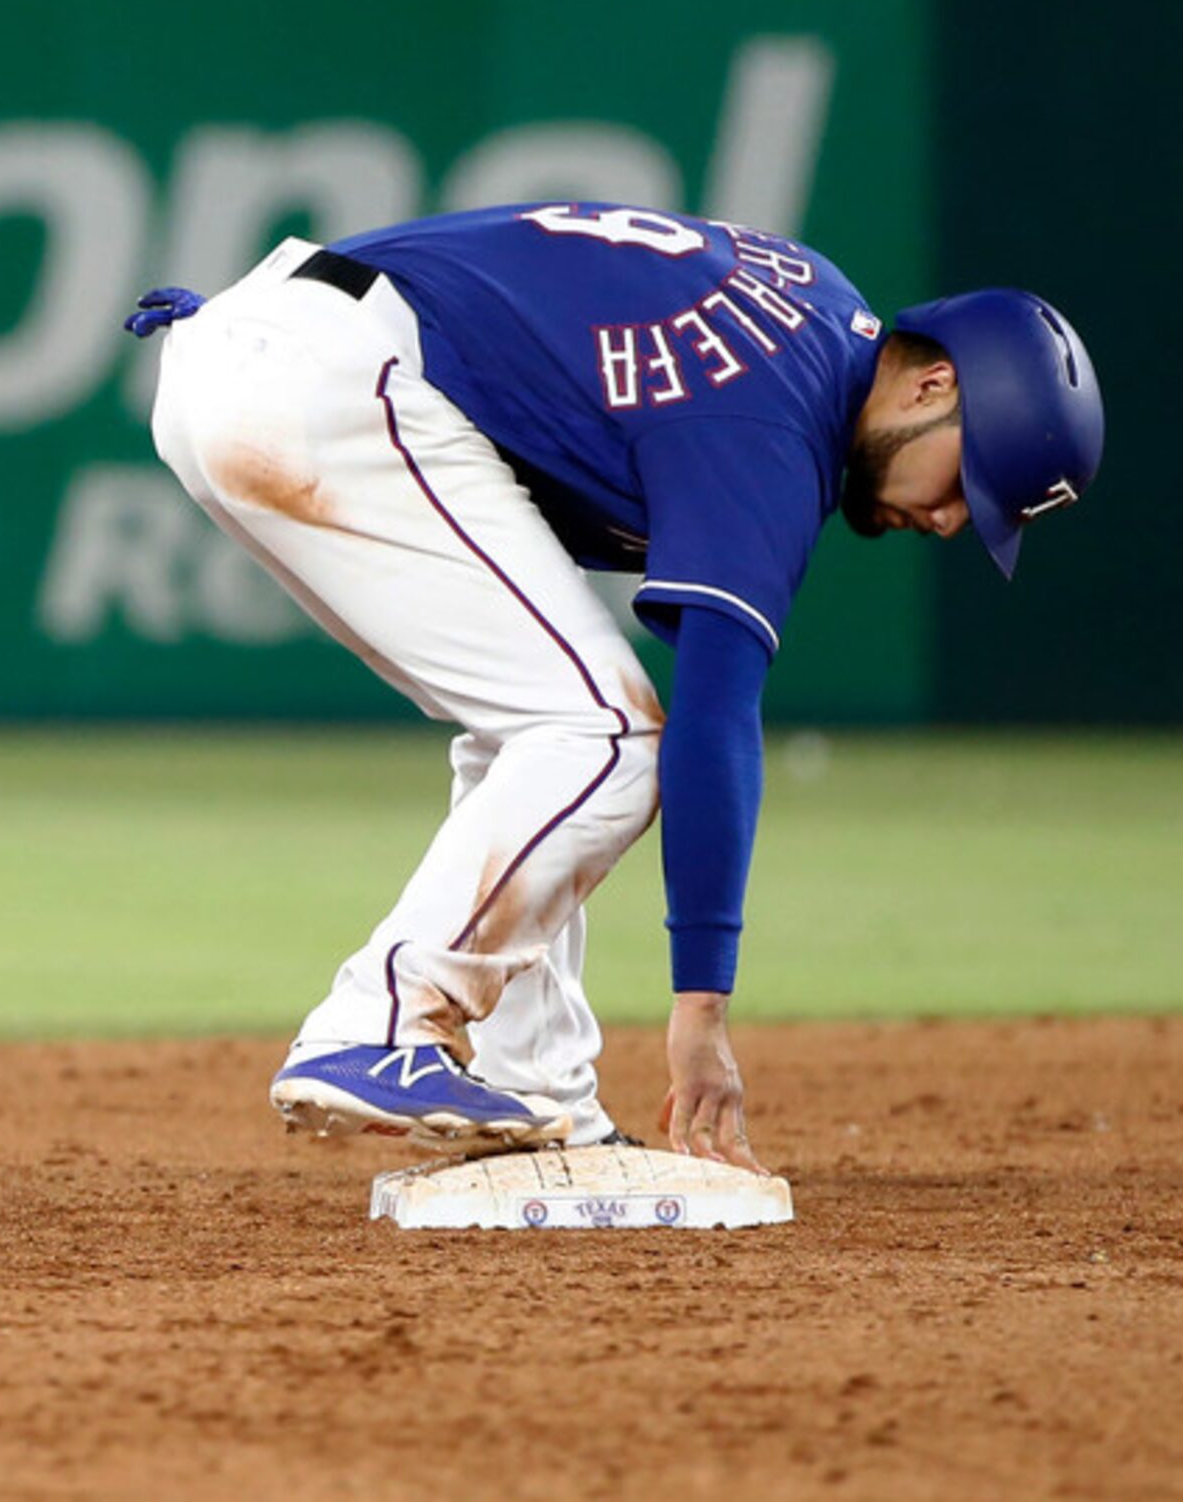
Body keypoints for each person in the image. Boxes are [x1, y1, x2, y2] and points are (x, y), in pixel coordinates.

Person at [127, 204, 1102, 1169]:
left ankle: (543, 1096)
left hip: (272, 359)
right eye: (965, 482)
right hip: (327, 384)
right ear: (935, 381)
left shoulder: (812, 318)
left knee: (539, 729)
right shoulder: (775, 419)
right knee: (609, 736)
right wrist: (701, 1007)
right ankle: (376, 1025)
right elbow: (715, 720)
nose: (947, 523)